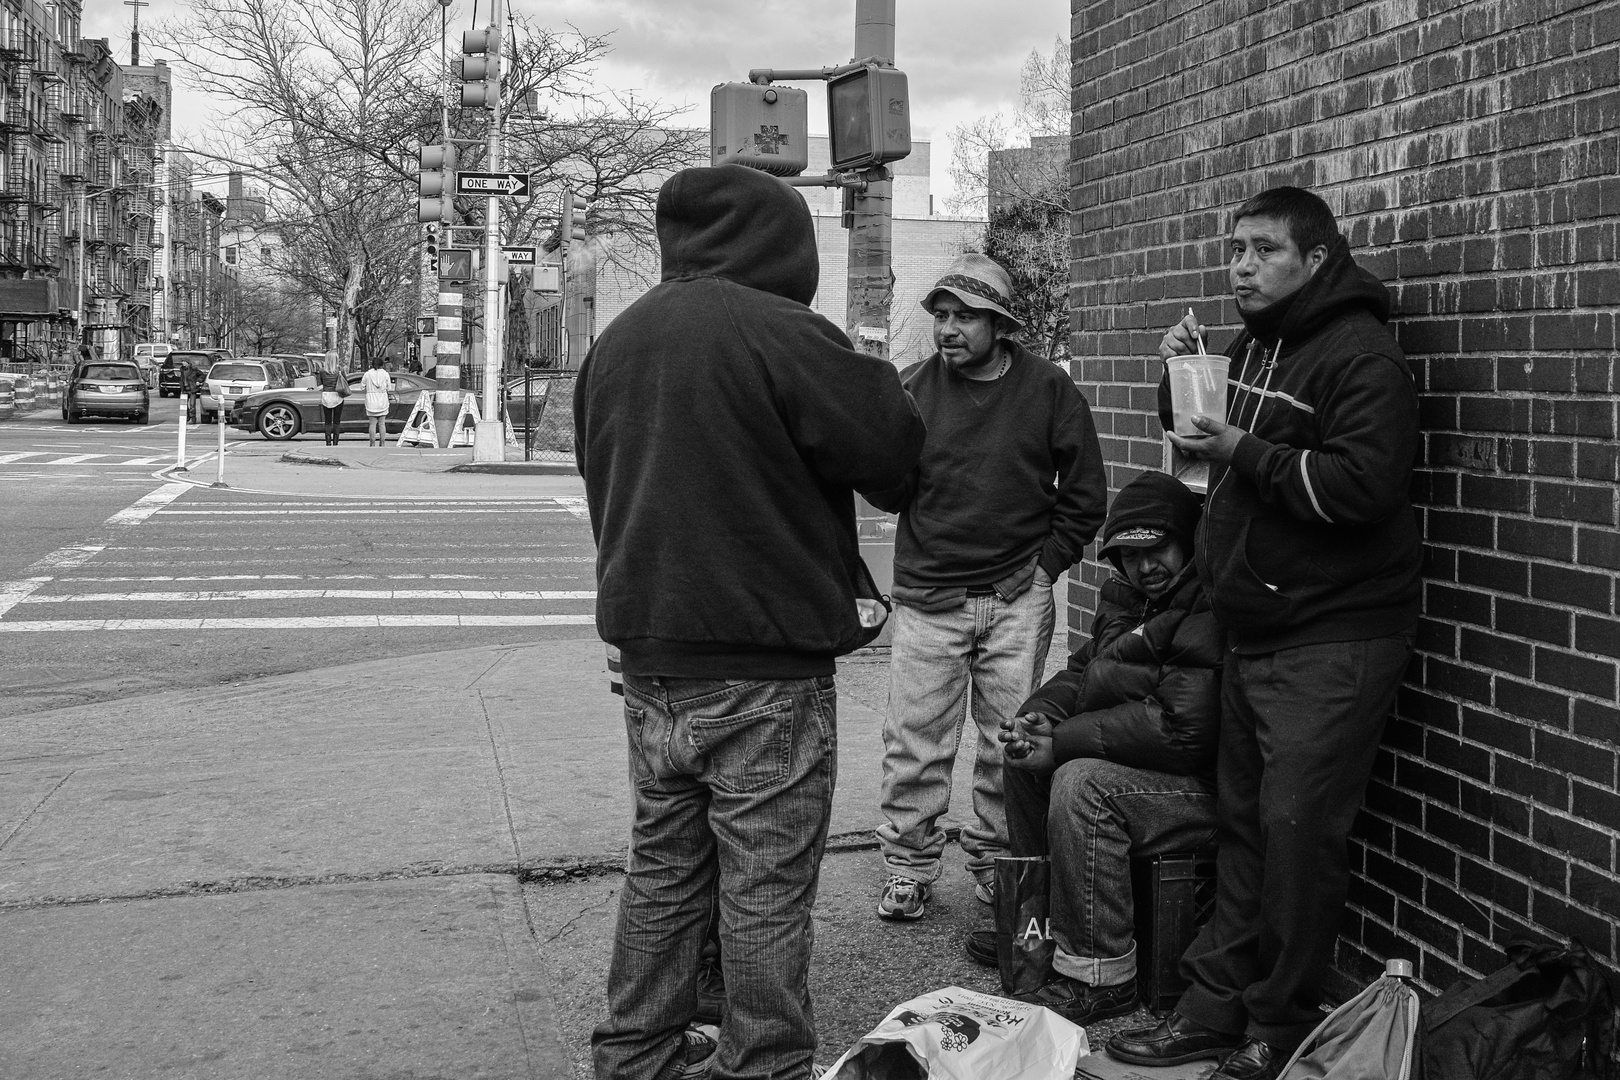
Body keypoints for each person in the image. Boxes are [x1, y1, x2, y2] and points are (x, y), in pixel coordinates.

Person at [575, 163, 925, 1080]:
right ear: (782, 243)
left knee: (664, 872)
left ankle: (634, 1054)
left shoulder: (619, 339)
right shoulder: (780, 330)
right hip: (762, 662)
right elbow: (892, 455)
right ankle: (762, 1064)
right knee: (765, 886)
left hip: (651, 659)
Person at [1105, 186, 1422, 1080]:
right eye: (1234, 248)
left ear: (1316, 259)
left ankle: (1277, 1029)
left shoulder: (1362, 358)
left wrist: (1244, 446)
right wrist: (1181, 382)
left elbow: (1360, 489)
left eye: (1263, 249)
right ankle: (1211, 1010)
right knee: (1246, 827)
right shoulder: (1257, 344)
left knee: (1295, 837)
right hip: (1258, 629)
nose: (1240, 265)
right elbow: (1209, 450)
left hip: (1331, 638)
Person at [864, 253, 1107, 921]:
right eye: (941, 315)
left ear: (999, 325)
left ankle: (999, 869)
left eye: (965, 316)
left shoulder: (1048, 390)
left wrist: (1046, 567)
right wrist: (873, 447)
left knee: (1012, 743)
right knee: (914, 742)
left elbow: (1085, 497)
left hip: (1015, 598)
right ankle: (908, 869)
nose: (948, 328)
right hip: (928, 598)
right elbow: (887, 491)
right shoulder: (911, 390)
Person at [957, 470, 1222, 1027]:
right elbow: (1082, 672)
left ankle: (1101, 974)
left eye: (1158, 551)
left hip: (1199, 786)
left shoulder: (1209, 604)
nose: (1144, 566)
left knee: (1083, 784)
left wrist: (1066, 743)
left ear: (1187, 540)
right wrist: (1040, 720)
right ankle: (1034, 933)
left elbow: (1183, 729)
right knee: (1025, 761)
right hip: (1150, 766)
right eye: (1128, 555)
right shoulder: (1127, 599)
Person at [361, 356, 394, 446]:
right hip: (382, 400)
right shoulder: (385, 374)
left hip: (371, 401)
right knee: (382, 424)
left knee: (372, 424)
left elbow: (362, 386)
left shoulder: (367, 374)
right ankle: (382, 443)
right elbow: (389, 388)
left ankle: (372, 443)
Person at [315, 355, 346, 446]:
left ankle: (328, 442)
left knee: (328, 421)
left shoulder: (322, 371)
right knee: (336, 421)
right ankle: (336, 442)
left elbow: (319, 384)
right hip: (337, 395)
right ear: (336, 359)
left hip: (326, 395)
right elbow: (345, 382)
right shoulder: (340, 370)